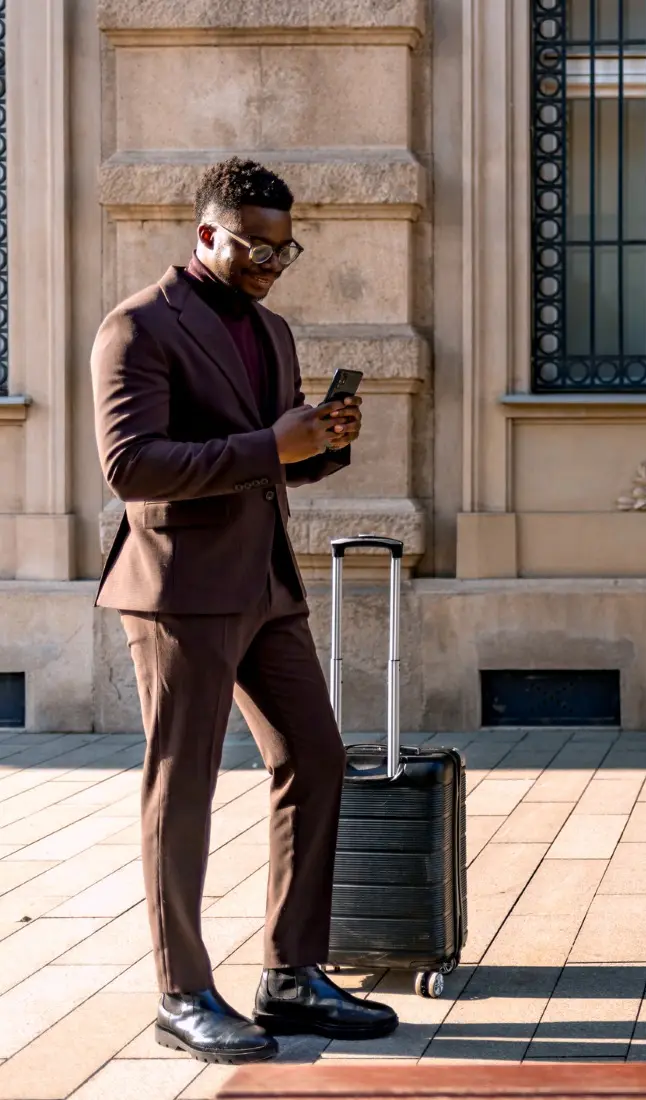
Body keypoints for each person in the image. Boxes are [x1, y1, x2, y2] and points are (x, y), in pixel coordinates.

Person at [90, 158, 398, 1064]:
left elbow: (269, 457)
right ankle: (181, 993)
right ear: (205, 235)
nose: (268, 262)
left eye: (282, 248)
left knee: (315, 756)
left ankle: (290, 975)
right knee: (181, 784)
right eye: (252, 245)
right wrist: (271, 442)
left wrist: (318, 446)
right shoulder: (139, 326)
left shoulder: (271, 329)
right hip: (180, 589)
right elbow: (131, 466)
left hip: (263, 583)